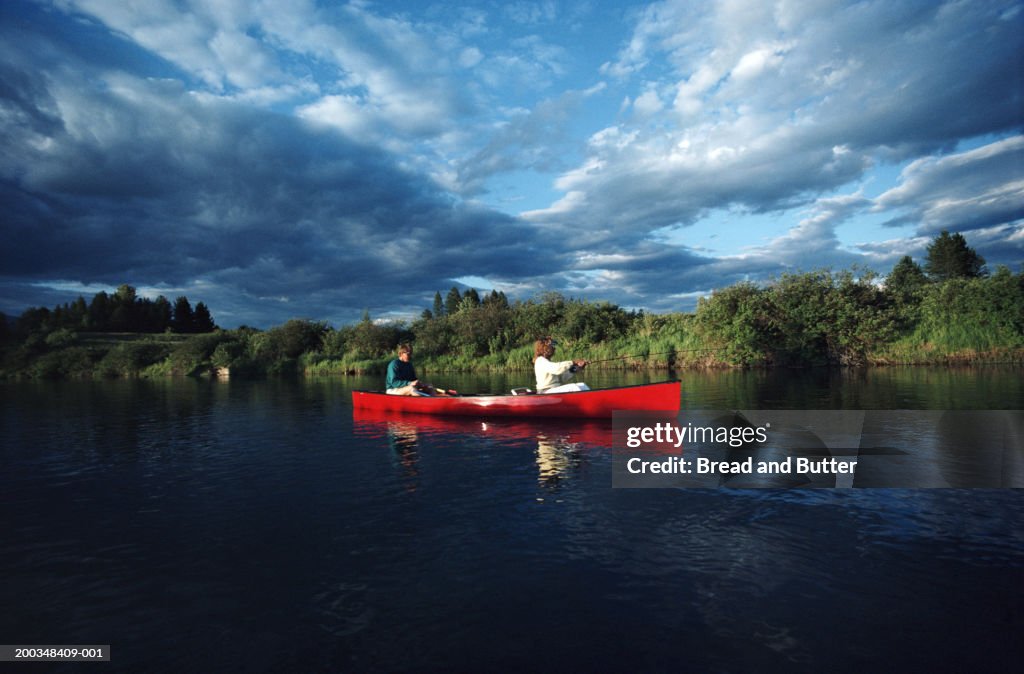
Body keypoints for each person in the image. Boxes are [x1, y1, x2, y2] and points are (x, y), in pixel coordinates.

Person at [385, 344, 453, 396]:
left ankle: (435, 401)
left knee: (429, 386)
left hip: (406, 387)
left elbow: (413, 379)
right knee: (412, 389)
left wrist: (421, 384)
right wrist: (409, 383)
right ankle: (424, 404)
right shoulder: (394, 364)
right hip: (393, 390)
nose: (410, 355)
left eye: (411, 353)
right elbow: (394, 383)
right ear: (401, 353)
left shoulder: (409, 365)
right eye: (408, 354)